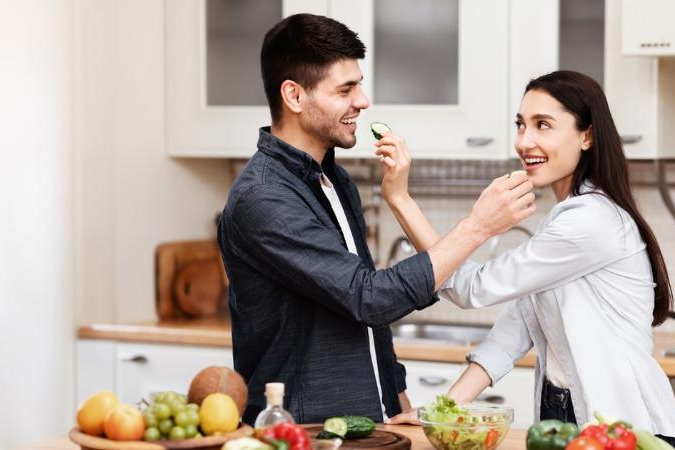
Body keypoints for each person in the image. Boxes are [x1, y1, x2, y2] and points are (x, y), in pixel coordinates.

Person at [217, 13, 536, 425]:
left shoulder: (335, 179)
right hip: (302, 431)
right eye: (346, 89)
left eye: (360, 85)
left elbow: (366, 313)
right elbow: (368, 296)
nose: (363, 101)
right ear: (294, 96)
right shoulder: (263, 197)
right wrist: (478, 226)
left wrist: (396, 395)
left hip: (365, 424)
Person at [379, 71, 675, 449]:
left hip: (622, 424)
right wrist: (442, 410)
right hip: (563, 411)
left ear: (587, 135)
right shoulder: (566, 219)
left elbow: (468, 288)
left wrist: (402, 200)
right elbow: (514, 331)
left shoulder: (590, 220)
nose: (525, 141)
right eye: (521, 125)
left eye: (544, 125)